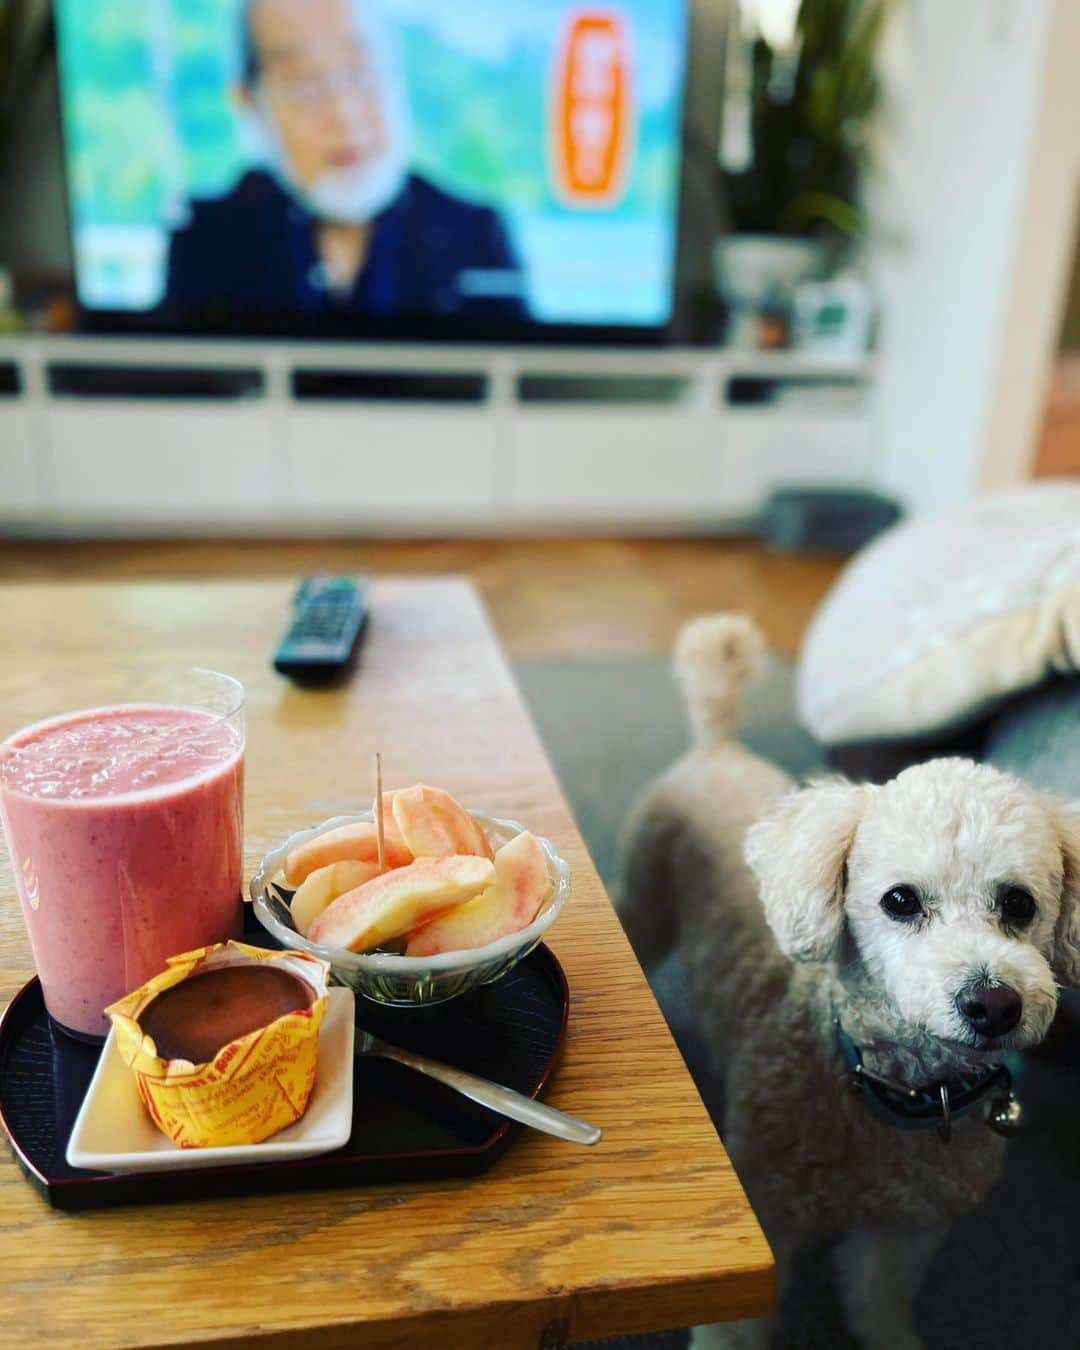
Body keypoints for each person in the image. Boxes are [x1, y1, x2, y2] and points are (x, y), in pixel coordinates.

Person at [161, 0, 526, 322]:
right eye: (304, 84)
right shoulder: (208, 235)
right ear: (249, 103)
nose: (344, 113)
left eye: (361, 70)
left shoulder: (476, 232)